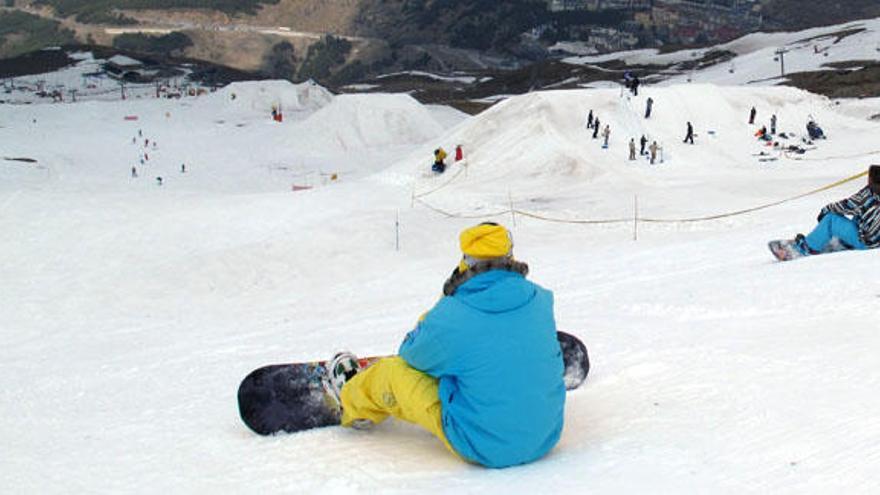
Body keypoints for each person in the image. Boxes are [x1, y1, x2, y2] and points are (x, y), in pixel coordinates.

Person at [325, 222, 565, 468]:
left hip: (484, 447)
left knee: (393, 371)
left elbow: (410, 353)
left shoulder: (454, 314)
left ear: (466, 260)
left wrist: (445, 302)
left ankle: (350, 400)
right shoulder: (541, 298)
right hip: (546, 437)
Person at [785, 165, 880, 256]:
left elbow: (848, 205)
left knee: (831, 220)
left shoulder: (871, 196)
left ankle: (807, 248)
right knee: (861, 215)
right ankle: (844, 241)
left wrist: (825, 210)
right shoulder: (872, 193)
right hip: (874, 240)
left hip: (867, 244)